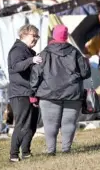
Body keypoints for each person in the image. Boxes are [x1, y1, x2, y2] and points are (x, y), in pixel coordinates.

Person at [30, 25, 91, 155]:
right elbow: (85, 73)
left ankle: (51, 151)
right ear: (66, 36)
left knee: (50, 125)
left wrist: (33, 94)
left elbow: (36, 74)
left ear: (54, 35)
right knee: (69, 123)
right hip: (73, 94)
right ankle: (66, 150)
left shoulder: (44, 53)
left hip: (48, 94)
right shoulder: (75, 52)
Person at [7, 24, 42, 162]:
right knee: (22, 124)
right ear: (25, 34)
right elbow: (16, 67)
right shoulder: (17, 49)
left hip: (30, 92)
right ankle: (13, 155)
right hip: (19, 93)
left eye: (37, 37)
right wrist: (31, 60)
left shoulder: (28, 51)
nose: (36, 39)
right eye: (34, 36)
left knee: (32, 123)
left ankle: (26, 152)